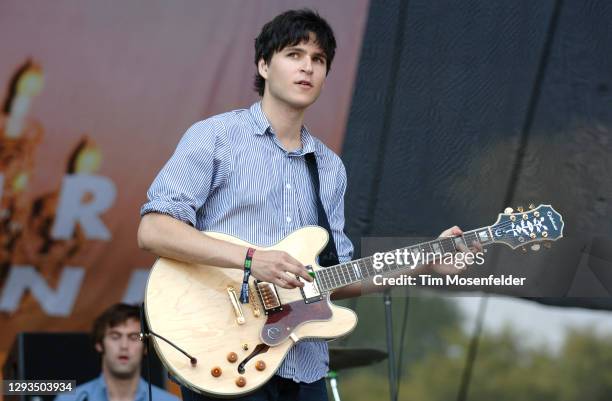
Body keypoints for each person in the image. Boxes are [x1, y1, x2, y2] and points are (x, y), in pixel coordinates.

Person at [137, 8, 474, 401]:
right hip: (226, 353)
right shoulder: (215, 138)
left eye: (319, 60)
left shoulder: (329, 168)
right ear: (264, 65)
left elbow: (338, 277)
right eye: (294, 54)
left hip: (304, 365)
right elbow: (154, 230)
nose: (308, 68)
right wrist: (251, 259)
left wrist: (425, 264)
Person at [55, 303, 179, 401]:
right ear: (99, 344)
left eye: (133, 337)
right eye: (115, 336)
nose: (124, 346)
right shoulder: (70, 399)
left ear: (145, 347)